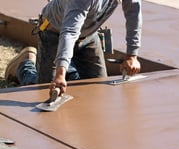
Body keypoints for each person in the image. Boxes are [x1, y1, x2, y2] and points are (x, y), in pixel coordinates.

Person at [5, 0, 142, 95]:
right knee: (44, 90)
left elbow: (133, 14)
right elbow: (69, 33)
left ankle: (67, 71)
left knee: (97, 89)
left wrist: (132, 55)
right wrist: (59, 75)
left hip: (88, 35)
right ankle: (24, 66)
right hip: (54, 33)